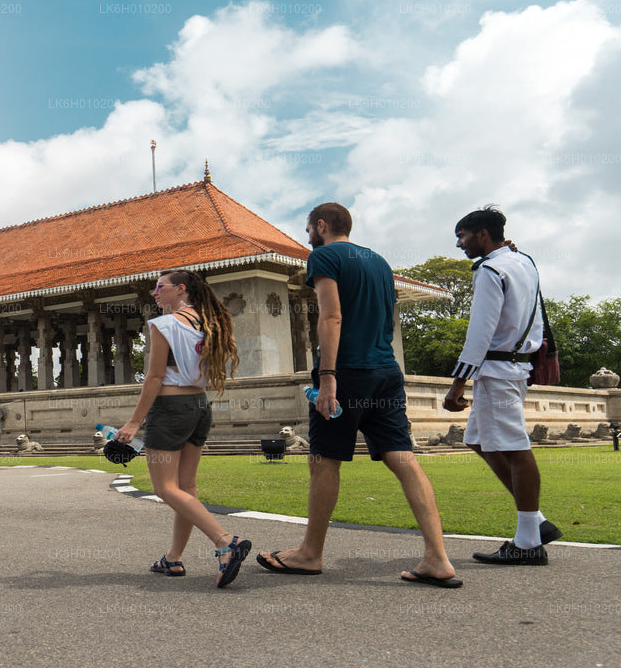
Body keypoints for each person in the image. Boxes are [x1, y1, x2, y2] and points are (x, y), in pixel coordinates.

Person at [256, 202, 462, 588]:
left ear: (321, 225)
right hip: (385, 371)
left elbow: (331, 317)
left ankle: (310, 553)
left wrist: (329, 377)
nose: (307, 237)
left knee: (323, 459)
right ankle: (437, 557)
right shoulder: (380, 263)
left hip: (346, 372)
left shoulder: (325, 257)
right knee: (403, 459)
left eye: (308, 229)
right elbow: (386, 318)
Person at [114, 269, 250, 588]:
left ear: (181, 290)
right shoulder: (209, 322)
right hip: (200, 407)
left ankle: (225, 542)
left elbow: (155, 378)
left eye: (160, 287)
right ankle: (173, 558)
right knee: (186, 487)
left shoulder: (165, 325)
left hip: (171, 408)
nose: (155, 293)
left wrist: (134, 422)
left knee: (165, 488)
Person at [443, 206, 560, 565]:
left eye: (463, 236)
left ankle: (527, 542)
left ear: (482, 234)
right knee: (477, 440)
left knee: (514, 446)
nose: (460, 244)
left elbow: (480, 332)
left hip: (497, 369)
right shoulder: (523, 262)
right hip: (514, 366)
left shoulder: (491, 270)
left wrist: (457, 383)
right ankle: (535, 522)